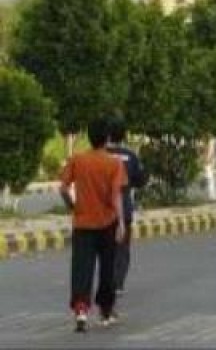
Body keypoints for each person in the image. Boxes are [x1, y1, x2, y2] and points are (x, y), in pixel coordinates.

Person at [59, 120, 127, 332]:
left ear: (89, 138)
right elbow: (116, 196)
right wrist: (121, 222)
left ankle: (81, 311)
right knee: (107, 269)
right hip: (107, 223)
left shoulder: (77, 160)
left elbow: (62, 187)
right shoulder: (114, 163)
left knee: (81, 268)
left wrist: (72, 205)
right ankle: (106, 310)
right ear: (107, 139)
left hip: (83, 224)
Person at [106, 123, 146, 297]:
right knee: (122, 248)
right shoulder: (130, 156)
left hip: (103, 209)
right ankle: (118, 283)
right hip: (124, 208)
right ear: (123, 136)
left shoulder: (100, 155)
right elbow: (140, 180)